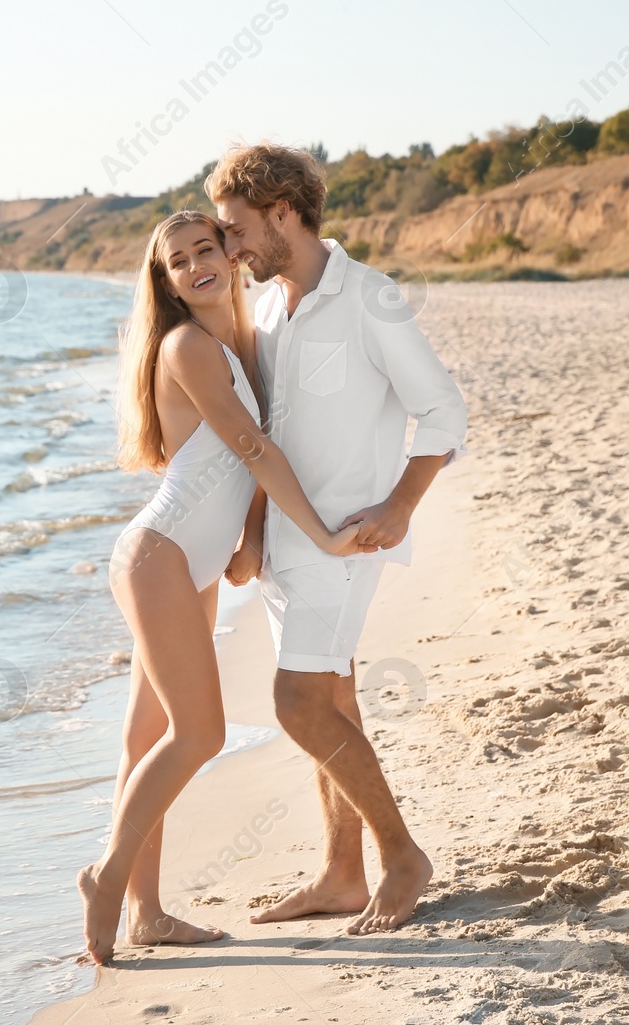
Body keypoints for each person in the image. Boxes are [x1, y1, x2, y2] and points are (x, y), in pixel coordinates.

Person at [78, 209, 363, 965]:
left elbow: (241, 466)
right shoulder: (187, 345)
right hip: (158, 556)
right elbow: (254, 447)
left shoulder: (232, 345)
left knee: (146, 737)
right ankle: (108, 879)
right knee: (198, 732)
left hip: (186, 563)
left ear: (230, 257)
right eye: (179, 260)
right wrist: (324, 533)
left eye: (207, 247)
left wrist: (251, 538)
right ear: (165, 281)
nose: (198, 263)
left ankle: (148, 914)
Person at [209, 142, 468, 935]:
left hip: (346, 543)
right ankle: (342, 872)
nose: (230, 248)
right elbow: (264, 433)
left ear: (282, 210)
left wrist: (402, 504)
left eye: (235, 228)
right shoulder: (264, 307)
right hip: (289, 546)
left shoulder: (370, 297)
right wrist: (250, 538)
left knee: (296, 701)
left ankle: (402, 857)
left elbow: (446, 410)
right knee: (334, 697)